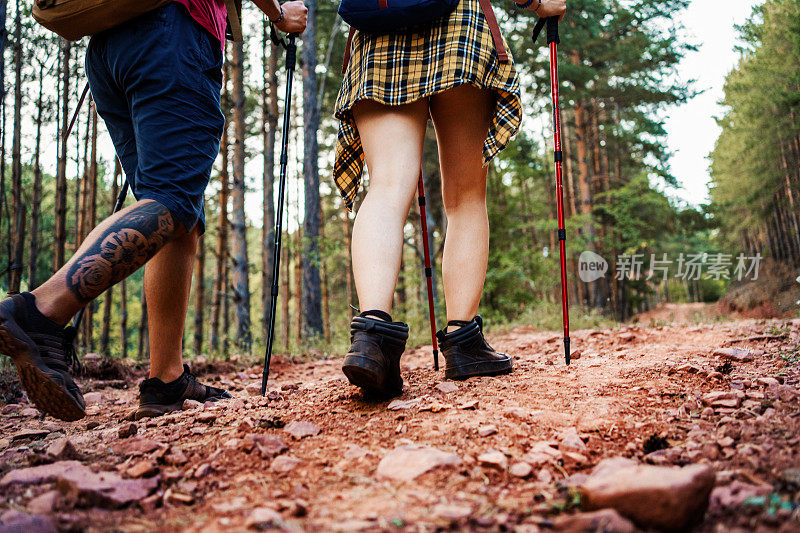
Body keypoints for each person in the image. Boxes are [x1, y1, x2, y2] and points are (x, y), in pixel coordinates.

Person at [0, 0, 307, 422]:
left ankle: (166, 379)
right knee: (173, 200)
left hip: (109, 46)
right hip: (172, 34)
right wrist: (279, 13)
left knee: (176, 217)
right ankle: (40, 311)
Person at [335, 0, 567, 397]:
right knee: (465, 198)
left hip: (377, 33)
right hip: (458, 25)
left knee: (387, 188)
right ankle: (464, 344)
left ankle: (372, 340)